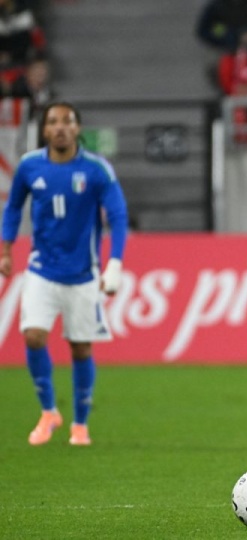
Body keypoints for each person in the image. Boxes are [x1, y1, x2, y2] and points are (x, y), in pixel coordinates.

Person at [0, 102, 128, 447]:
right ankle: (48, 412)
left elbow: (117, 216)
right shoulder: (29, 167)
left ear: (77, 129)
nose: (60, 127)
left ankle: (80, 424)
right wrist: (6, 249)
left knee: (81, 348)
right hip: (42, 270)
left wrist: (114, 263)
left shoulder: (96, 170)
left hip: (83, 275)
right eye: (53, 122)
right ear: (44, 130)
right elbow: (12, 209)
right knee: (33, 337)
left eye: (67, 122)